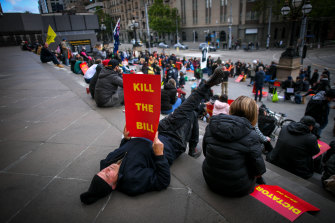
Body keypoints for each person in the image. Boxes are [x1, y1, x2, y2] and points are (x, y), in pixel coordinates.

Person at [80, 71, 225, 204]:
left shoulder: (106, 162)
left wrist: (126, 139)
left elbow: (122, 149)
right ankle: (206, 87)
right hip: (171, 143)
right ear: (113, 186)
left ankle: (206, 86)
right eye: (107, 175)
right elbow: (162, 181)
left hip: (154, 131)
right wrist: (159, 154)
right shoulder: (132, 182)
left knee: (184, 110)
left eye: (102, 171)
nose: (107, 169)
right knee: (190, 113)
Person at [202, 96, 266, 197]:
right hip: (238, 187)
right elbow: (259, 170)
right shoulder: (252, 135)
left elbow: (205, 153)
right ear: (253, 114)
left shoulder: (212, 125)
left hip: (210, 180)